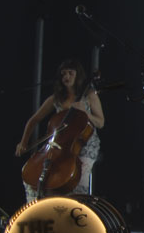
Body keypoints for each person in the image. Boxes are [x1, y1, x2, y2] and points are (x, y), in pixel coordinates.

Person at [15, 59, 105, 203]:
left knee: (76, 183)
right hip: (60, 145)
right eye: (63, 74)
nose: (67, 77)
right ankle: (36, 212)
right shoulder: (56, 99)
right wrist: (23, 142)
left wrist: (85, 113)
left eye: (70, 73)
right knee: (36, 179)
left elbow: (100, 122)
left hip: (85, 145)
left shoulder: (89, 95)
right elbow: (33, 120)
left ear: (78, 75)